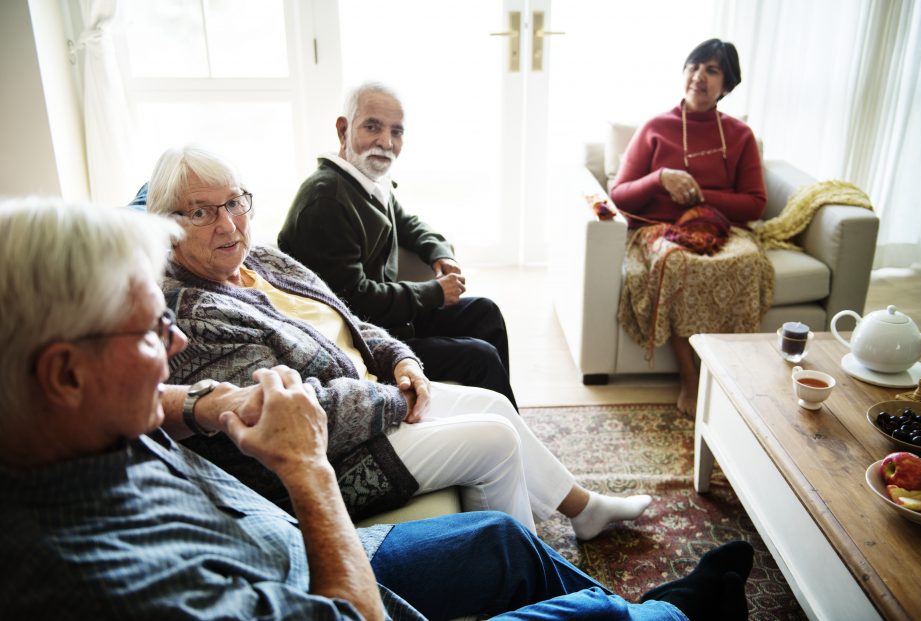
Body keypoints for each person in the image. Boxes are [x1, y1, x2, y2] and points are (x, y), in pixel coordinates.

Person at [0, 197, 756, 620]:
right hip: (325, 573)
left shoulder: (74, 418)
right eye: (151, 330)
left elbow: (343, 312)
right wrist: (307, 468)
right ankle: (668, 616)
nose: (173, 338)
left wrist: (199, 402)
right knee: (592, 617)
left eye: (235, 201)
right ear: (64, 372)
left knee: (500, 537)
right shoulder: (106, 582)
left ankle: (642, 610)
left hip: (294, 541)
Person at [144, 144, 653, 540]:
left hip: (371, 397)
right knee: (494, 442)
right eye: (203, 212)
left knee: (495, 404)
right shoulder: (196, 314)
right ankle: (520, 580)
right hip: (329, 454)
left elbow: (346, 319)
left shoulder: (260, 260)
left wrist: (401, 358)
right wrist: (396, 396)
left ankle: (580, 511)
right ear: (167, 225)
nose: (230, 223)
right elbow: (286, 415)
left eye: (234, 202)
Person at [278, 82, 517, 407]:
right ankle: (499, 430)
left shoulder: (367, 181)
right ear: (343, 130)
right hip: (361, 343)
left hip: (391, 319)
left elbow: (408, 224)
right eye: (373, 127)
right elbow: (353, 300)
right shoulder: (326, 200)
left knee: (485, 313)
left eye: (397, 131)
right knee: (480, 357)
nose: (386, 142)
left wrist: (439, 253)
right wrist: (433, 292)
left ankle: (502, 415)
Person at [609, 39, 774, 416]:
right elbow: (620, 194)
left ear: (727, 85)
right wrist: (660, 179)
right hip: (659, 230)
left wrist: (703, 197)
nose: (699, 76)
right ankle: (691, 379)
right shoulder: (655, 127)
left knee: (747, 263)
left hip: (720, 230)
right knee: (679, 264)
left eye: (712, 70)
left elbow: (754, 203)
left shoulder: (740, 136)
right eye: (694, 66)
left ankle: (732, 376)